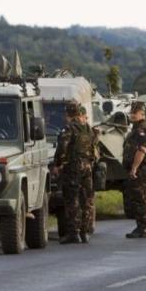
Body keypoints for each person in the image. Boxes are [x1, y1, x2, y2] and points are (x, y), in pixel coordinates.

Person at [53, 103, 98, 244]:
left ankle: (74, 233)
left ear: (68, 115)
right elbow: (94, 148)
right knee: (87, 200)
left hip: (73, 168)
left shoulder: (69, 129)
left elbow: (62, 148)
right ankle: (85, 232)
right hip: (87, 167)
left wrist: (58, 164)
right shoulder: (88, 129)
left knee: (72, 200)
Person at [123, 102, 146, 238]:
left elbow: (142, 150)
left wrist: (134, 168)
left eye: (135, 113)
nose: (132, 115)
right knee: (142, 197)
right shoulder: (136, 128)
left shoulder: (142, 129)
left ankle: (143, 228)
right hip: (141, 169)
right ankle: (145, 226)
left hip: (142, 169)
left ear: (142, 114)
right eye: (131, 113)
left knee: (140, 198)